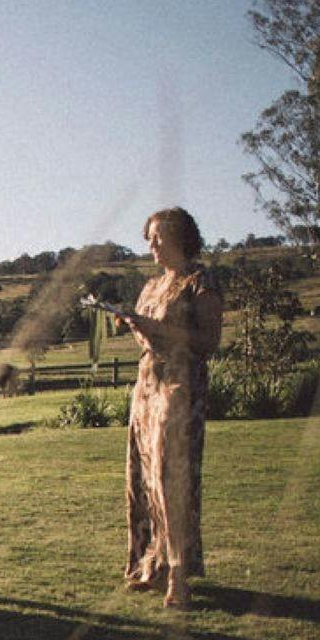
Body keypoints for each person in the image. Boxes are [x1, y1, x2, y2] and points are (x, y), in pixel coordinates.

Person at [114, 206, 223, 608]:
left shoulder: (200, 281)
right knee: (143, 478)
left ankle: (179, 574)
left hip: (180, 388)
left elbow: (208, 342)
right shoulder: (150, 287)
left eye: (158, 237)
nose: (152, 245)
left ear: (180, 237)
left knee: (171, 478)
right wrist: (134, 325)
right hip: (147, 387)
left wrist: (158, 328)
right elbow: (150, 339)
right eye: (149, 238)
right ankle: (151, 566)